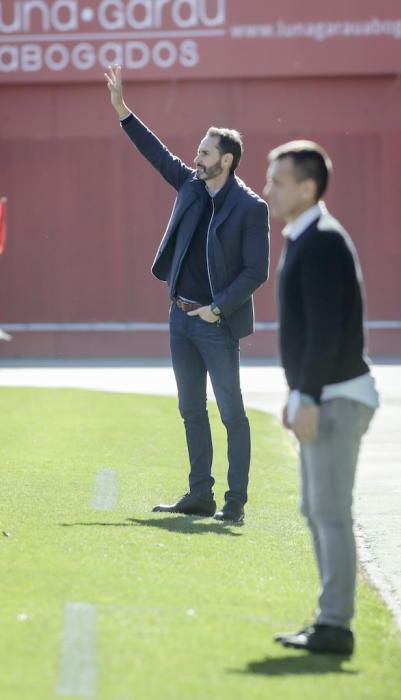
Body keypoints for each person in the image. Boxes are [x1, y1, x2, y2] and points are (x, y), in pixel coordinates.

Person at [105, 65, 270, 523]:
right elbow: (155, 153)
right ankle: (200, 494)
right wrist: (123, 111)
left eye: (204, 153)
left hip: (216, 323)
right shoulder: (189, 186)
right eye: (196, 151)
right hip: (179, 318)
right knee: (190, 409)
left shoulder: (251, 207)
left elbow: (257, 270)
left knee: (232, 414)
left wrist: (219, 309)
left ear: (227, 160)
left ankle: (234, 504)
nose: (195, 158)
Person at [264, 141, 379, 654]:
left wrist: (306, 396)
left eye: (278, 181)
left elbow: (328, 331)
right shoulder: (303, 237)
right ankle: (328, 620)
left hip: (334, 397)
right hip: (319, 394)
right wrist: (298, 395)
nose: (268, 189)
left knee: (330, 511)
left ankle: (336, 626)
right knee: (316, 509)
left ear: (306, 188)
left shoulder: (324, 240)